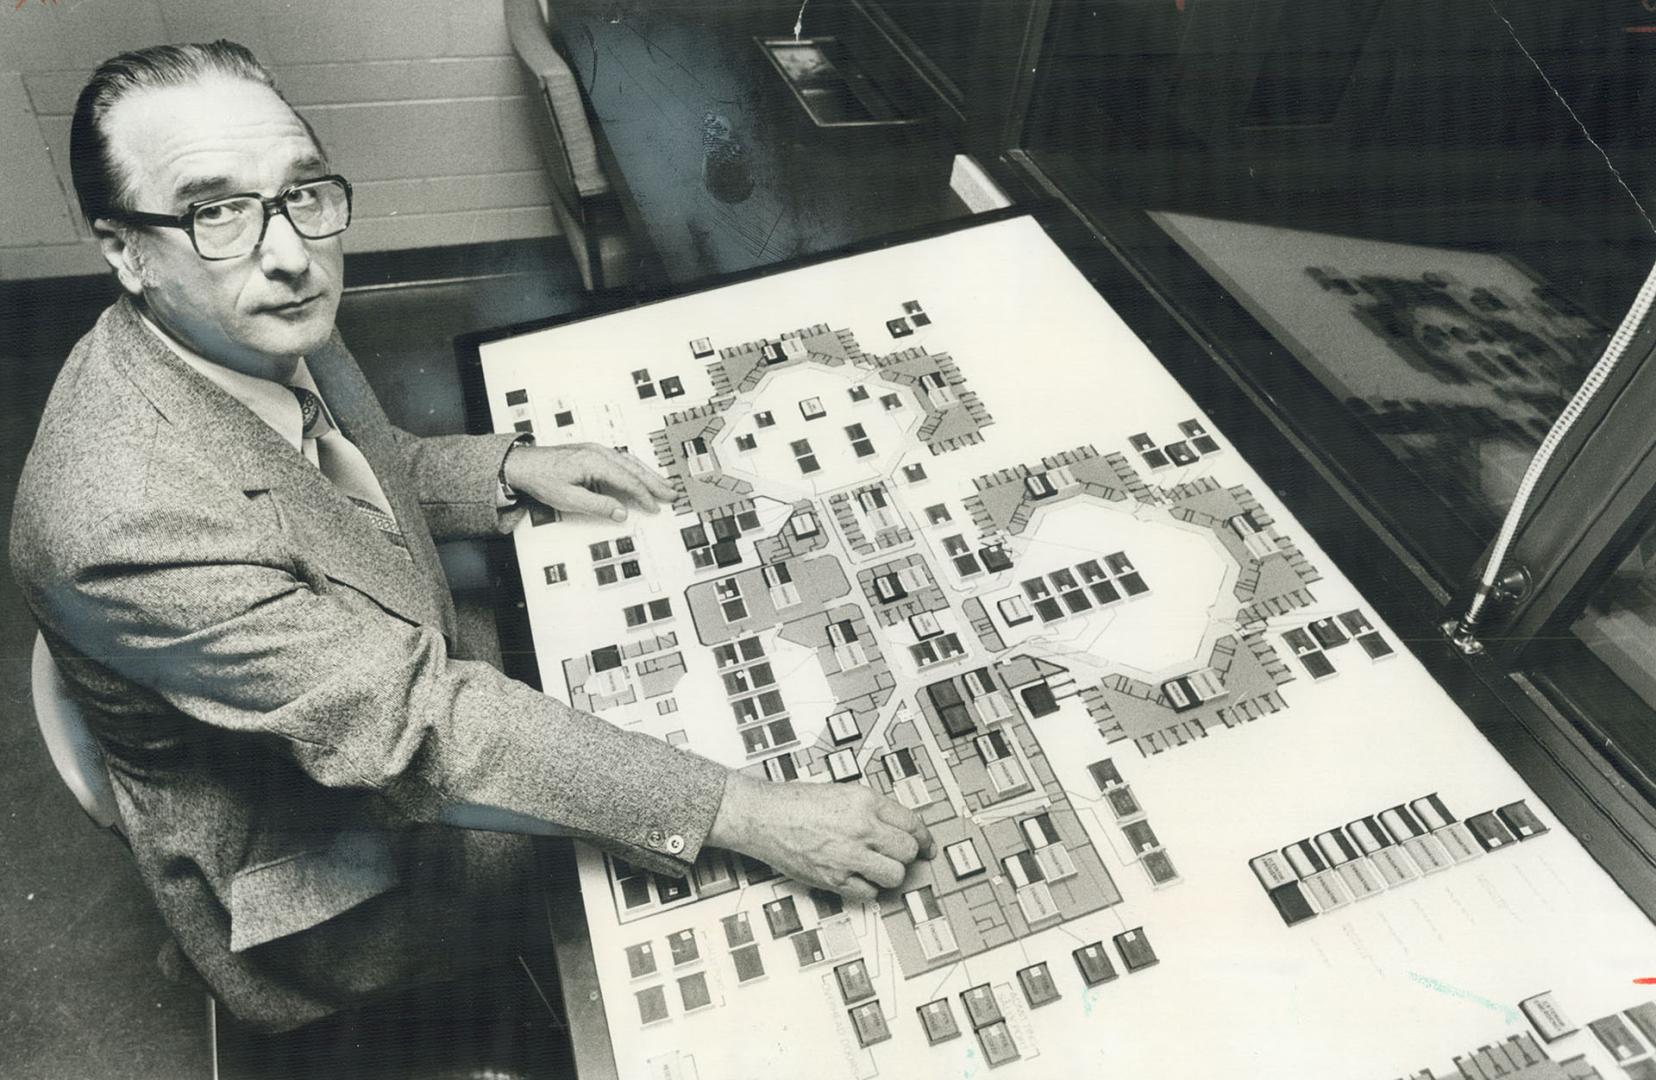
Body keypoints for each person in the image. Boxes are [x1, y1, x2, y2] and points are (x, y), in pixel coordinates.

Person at [11, 40, 932, 1034]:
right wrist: (750, 815)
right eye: (214, 211)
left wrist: (502, 469)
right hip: (328, 866)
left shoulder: (241, 311)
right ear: (124, 250)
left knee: (659, 727)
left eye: (300, 192)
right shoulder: (122, 519)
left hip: (390, 686)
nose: (287, 252)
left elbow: (340, 465)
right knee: (704, 839)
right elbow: (422, 731)